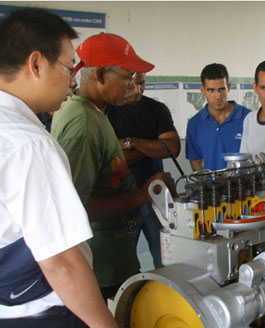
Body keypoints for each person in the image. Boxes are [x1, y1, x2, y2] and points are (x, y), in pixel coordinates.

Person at [0, 8, 116, 327]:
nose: (73, 81)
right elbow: (61, 263)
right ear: (36, 64)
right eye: (69, 67)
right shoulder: (29, 144)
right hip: (40, 312)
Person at [51, 32, 173, 301]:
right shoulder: (82, 123)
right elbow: (76, 206)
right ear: (101, 76)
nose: (132, 86)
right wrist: (141, 195)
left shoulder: (96, 113)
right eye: (127, 78)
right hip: (100, 264)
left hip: (115, 256)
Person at [107, 72, 180, 268]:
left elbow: (172, 148)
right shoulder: (108, 111)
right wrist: (154, 148)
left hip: (157, 195)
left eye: (142, 84)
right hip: (124, 199)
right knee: (124, 262)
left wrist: (131, 142)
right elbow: (113, 159)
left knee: (166, 258)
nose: (138, 90)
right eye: (132, 85)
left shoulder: (157, 109)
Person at [186, 63, 251, 171]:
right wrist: (205, 185)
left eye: (221, 89)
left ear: (228, 87)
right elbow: (196, 161)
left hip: (243, 186)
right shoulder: (195, 123)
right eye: (211, 90)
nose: (218, 96)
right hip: (210, 187)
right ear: (203, 90)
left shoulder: (249, 118)